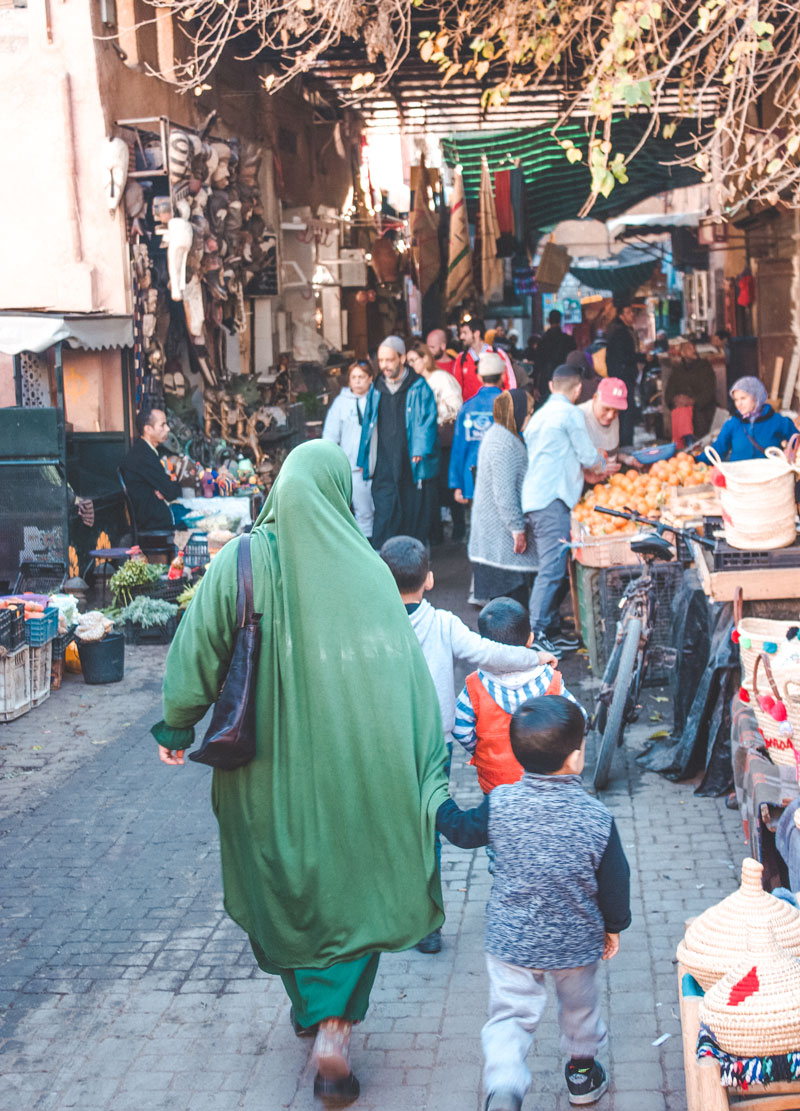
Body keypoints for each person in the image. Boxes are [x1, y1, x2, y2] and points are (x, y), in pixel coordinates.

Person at [152, 441, 451, 1107]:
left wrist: (177, 723)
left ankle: (311, 1006)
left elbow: (198, 644)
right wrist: (425, 760)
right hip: (358, 768)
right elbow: (402, 672)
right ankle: (335, 1029)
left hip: (263, 772)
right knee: (354, 881)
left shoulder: (242, 560)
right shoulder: (370, 574)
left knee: (281, 881)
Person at [436, 696, 632, 1111]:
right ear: (577, 758)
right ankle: (581, 1074)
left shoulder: (501, 802)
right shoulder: (597, 818)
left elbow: (464, 832)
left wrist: (439, 805)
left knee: (509, 1015)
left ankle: (505, 1086)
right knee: (580, 1008)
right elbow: (615, 881)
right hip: (575, 942)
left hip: (512, 942)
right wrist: (613, 925)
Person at [379, 536, 557, 953]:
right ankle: (429, 926)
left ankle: (400, 917)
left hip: (387, 748)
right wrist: (537, 658)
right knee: (429, 829)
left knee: (399, 830)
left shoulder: (371, 626)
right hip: (432, 749)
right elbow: (492, 653)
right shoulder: (443, 624)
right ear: (430, 579)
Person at [522, 365, 613, 655]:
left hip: (536, 498)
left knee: (552, 567)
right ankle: (534, 637)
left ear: (551, 386)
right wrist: (603, 466)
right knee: (551, 570)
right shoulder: (570, 414)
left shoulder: (538, 416)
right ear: (577, 391)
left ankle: (547, 630)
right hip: (552, 500)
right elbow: (587, 455)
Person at [452, 598, 585, 796]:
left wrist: (482, 751)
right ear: (530, 639)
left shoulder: (474, 686)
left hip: (496, 784)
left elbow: (460, 729)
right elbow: (579, 716)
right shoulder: (550, 680)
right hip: (546, 780)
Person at [357, 336, 439, 549]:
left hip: (409, 462)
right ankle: (384, 568)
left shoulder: (418, 387)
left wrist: (420, 448)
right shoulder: (376, 388)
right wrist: (364, 458)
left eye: (389, 360)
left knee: (411, 514)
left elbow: (428, 420)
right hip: (384, 464)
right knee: (384, 514)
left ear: (402, 358)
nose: (384, 365)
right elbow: (368, 426)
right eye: (381, 360)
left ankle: (414, 564)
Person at [468, 390, 538, 607]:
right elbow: (504, 492)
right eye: (528, 412)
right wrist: (517, 528)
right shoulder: (503, 442)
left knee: (509, 605)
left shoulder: (502, 435)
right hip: (500, 539)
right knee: (509, 606)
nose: (530, 417)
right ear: (515, 412)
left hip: (498, 536)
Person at [407, 341, 464, 543]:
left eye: (414, 360)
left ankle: (458, 529)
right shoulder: (414, 383)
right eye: (409, 361)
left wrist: (434, 413)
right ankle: (436, 531)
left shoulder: (441, 379)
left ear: (425, 359)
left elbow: (456, 407)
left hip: (444, 439)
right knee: (434, 487)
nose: (411, 364)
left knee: (448, 483)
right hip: (428, 441)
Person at [322, 360, 375, 538]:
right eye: (354, 377)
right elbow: (330, 435)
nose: (358, 381)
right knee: (363, 512)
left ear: (370, 378)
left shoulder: (377, 399)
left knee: (380, 510)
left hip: (376, 465)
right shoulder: (340, 403)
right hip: (352, 466)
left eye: (362, 377)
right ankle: (367, 550)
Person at [700, 376, 798, 462]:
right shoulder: (733, 424)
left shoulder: (777, 421)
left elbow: (796, 440)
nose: (739, 404)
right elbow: (718, 449)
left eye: (743, 398)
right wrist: (695, 460)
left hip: (770, 477)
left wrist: (790, 454)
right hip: (740, 478)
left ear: (756, 397)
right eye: (736, 400)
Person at [449, 352, 505, 505]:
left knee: (474, 526)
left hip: (471, 480)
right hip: (503, 479)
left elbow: (459, 448)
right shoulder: (509, 405)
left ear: (479, 377)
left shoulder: (467, 408)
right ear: (503, 376)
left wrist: (457, 484)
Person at [120, 408, 182, 531]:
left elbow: (167, 490)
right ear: (148, 429)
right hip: (153, 523)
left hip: (153, 517)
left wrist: (164, 490)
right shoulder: (143, 456)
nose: (168, 429)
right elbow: (172, 492)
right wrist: (168, 487)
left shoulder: (145, 452)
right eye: (162, 425)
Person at [579, 377, 641, 475]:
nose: (610, 416)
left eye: (616, 411)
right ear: (595, 398)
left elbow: (608, 453)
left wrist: (627, 459)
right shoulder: (578, 417)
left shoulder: (613, 418)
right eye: (606, 409)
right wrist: (592, 471)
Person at [604, 302, 643, 448]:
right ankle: (625, 445)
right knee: (626, 410)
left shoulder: (622, 330)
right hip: (623, 377)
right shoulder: (620, 333)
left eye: (632, 312)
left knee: (625, 411)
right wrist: (643, 357)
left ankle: (624, 443)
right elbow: (624, 356)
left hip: (622, 376)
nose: (632, 315)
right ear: (621, 315)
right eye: (628, 312)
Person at [665, 340, 717, 441]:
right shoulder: (677, 370)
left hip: (702, 409)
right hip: (682, 410)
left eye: (693, 348)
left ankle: (690, 444)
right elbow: (669, 393)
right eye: (689, 348)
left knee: (690, 415)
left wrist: (692, 401)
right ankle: (686, 444)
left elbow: (709, 391)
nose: (693, 350)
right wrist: (675, 400)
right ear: (682, 353)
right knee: (681, 412)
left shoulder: (705, 366)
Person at [452, 317, 516, 401]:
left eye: (465, 333)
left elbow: (510, 383)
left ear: (477, 333)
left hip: (495, 409)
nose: (461, 337)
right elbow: (456, 388)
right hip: (471, 411)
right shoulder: (461, 358)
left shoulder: (498, 354)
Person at [533, 309, 576, 396]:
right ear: (560, 320)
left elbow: (537, 364)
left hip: (546, 379)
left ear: (548, 320)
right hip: (564, 377)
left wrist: (535, 386)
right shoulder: (568, 340)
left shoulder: (542, 341)